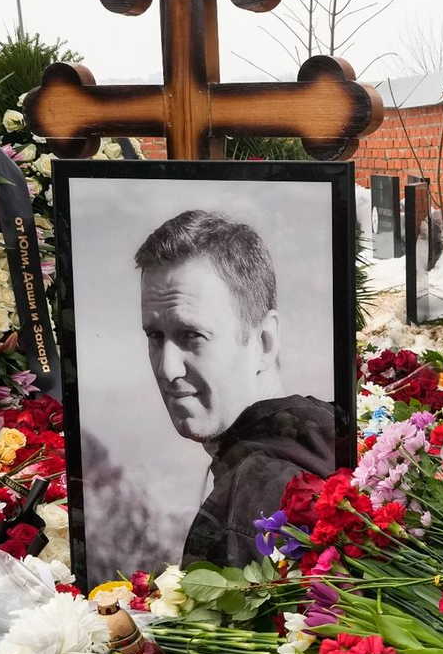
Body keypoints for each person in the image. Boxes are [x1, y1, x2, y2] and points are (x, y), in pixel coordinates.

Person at [136, 210, 337, 569]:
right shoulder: (324, 436)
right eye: (155, 336)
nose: (167, 368)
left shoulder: (246, 508)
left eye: (192, 335)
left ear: (264, 341)